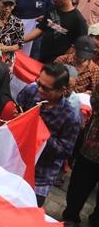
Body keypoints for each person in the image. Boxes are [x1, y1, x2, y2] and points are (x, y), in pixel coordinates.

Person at [17, 63, 81, 206]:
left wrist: (41, 133)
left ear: (62, 90)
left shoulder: (70, 117)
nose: (39, 89)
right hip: (16, 160)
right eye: (38, 83)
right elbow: (17, 109)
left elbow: (65, 151)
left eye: (46, 88)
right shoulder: (30, 91)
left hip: (40, 175)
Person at [62, 81, 99, 226]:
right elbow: (95, 101)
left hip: (91, 147)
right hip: (91, 148)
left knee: (79, 186)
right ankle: (71, 217)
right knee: (78, 187)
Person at [24, 0, 88, 62]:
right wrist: (21, 41)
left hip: (59, 65)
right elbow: (40, 29)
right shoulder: (52, 9)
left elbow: (79, 47)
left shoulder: (78, 20)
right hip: (42, 56)